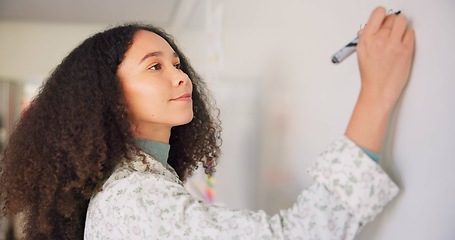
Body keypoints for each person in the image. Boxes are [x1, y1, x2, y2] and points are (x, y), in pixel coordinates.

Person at [0, 6, 415, 240]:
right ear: (106, 96)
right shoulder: (135, 198)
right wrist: (375, 93)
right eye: (154, 66)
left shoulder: (137, 184)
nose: (180, 77)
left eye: (177, 64)